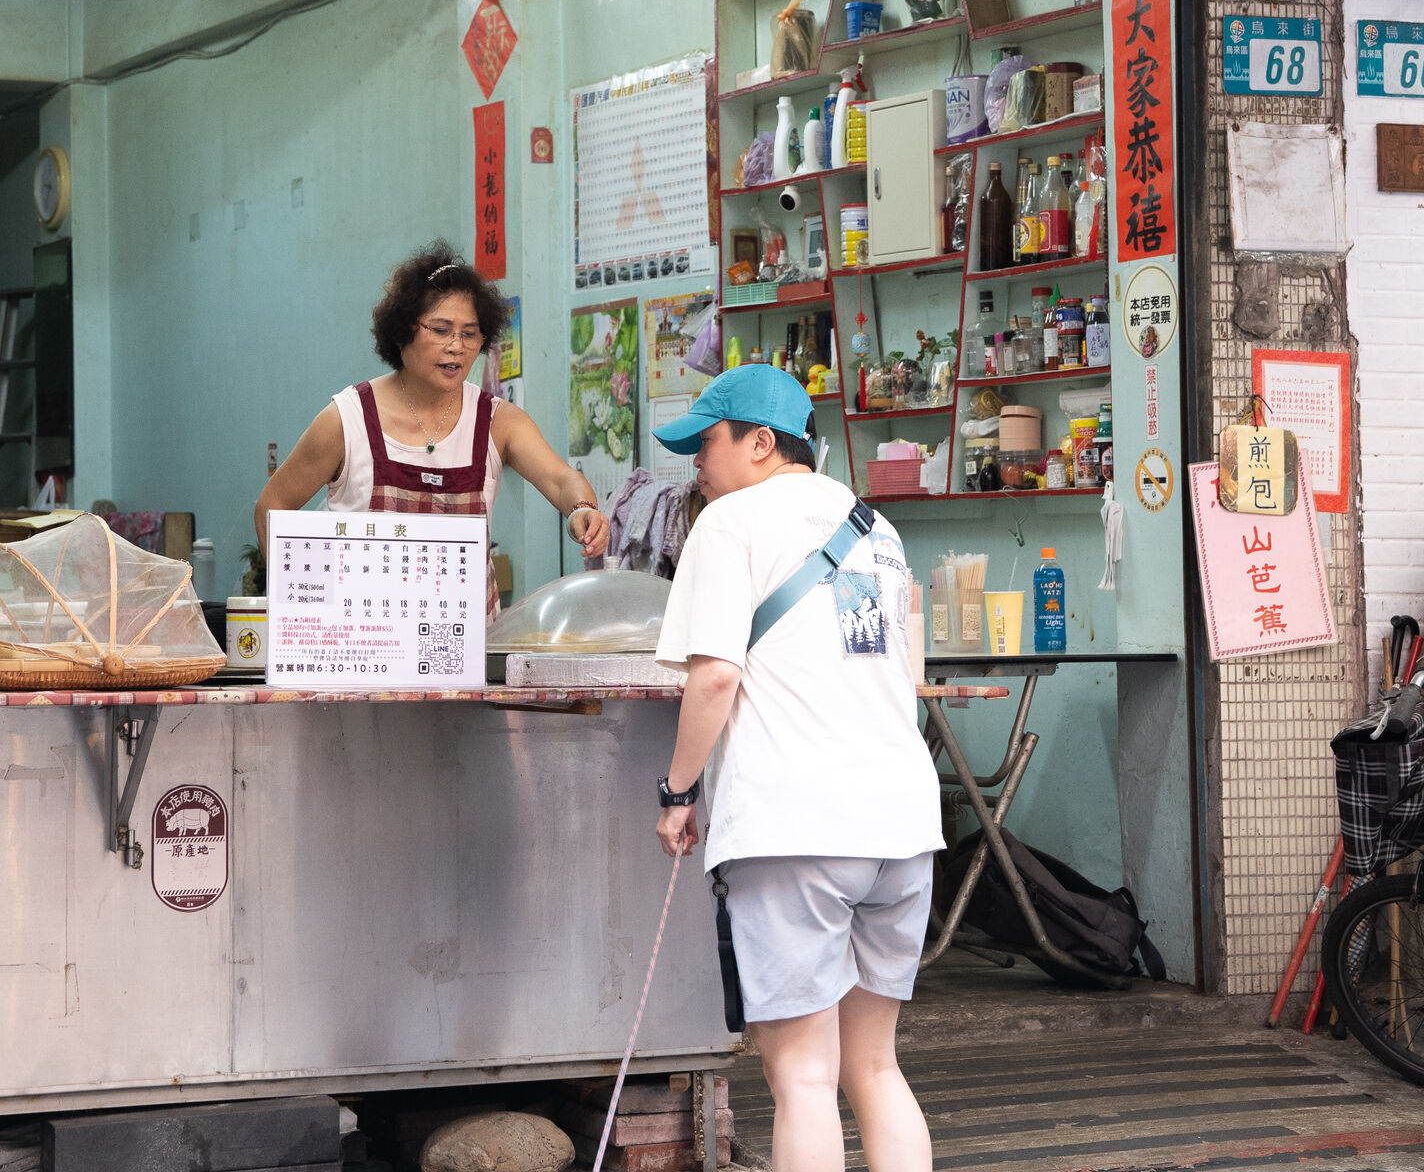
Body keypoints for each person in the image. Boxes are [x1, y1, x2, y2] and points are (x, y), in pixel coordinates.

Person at [648, 365, 940, 1172]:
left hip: (796, 824)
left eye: (706, 444)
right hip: (902, 823)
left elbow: (715, 676)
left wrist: (678, 792)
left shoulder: (730, 522)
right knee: (874, 1067)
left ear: (760, 443)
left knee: (804, 1077)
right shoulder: (876, 526)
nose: (697, 466)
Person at [255, 241, 611, 616]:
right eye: (441, 330)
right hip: (365, 638)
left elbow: (561, 480)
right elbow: (272, 506)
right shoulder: (348, 419)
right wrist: (304, 606)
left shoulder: (498, 421)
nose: (456, 347)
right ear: (402, 332)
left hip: (469, 640)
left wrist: (581, 510)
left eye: (470, 334)